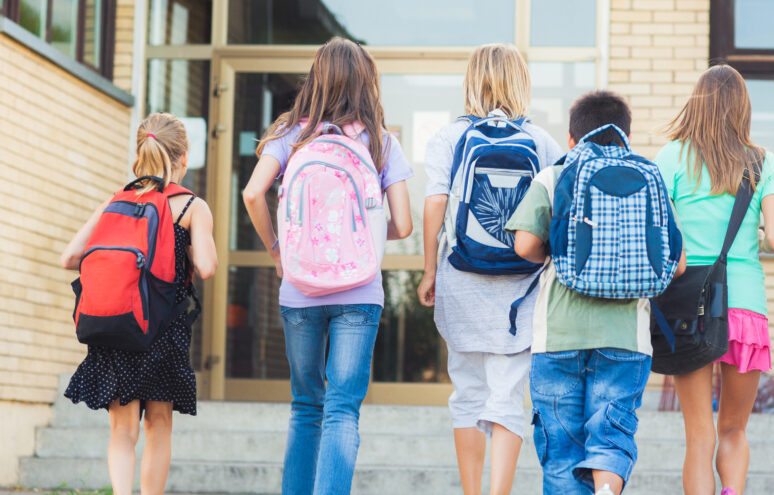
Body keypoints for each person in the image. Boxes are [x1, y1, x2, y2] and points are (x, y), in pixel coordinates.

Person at [242, 38, 413, 495]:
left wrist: (278, 250)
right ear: (365, 82)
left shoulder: (290, 134)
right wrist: (360, 235)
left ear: (315, 78)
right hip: (359, 292)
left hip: (299, 290)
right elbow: (404, 224)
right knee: (342, 410)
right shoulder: (380, 140)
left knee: (305, 406)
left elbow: (252, 194)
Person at [505, 90, 681, 495]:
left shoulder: (554, 175)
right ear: (626, 136)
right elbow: (678, 261)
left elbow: (524, 245)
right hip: (626, 337)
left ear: (572, 138)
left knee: (561, 452)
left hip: (558, 336)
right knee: (611, 439)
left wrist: (557, 253)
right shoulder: (650, 177)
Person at [416, 43, 562, 495]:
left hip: (462, 278)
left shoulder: (449, 137)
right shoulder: (541, 141)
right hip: (521, 289)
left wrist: (428, 269)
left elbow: (435, 203)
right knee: (507, 396)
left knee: (467, 393)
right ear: (521, 82)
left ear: (470, 81)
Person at [61, 113, 218, 495]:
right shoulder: (190, 206)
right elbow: (207, 267)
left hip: (117, 322)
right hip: (163, 330)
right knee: (158, 424)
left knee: (122, 430)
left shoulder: (117, 201)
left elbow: (70, 257)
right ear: (184, 157)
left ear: (140, 153)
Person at [654, 64, 774, 495]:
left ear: (697, 103)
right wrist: (754, 237)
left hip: (689, 304)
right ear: (742, 108)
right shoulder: (764, 161)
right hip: (744, 302)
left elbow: (660, 232)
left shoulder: (671, 157)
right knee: (734, 428)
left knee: (699, 435)